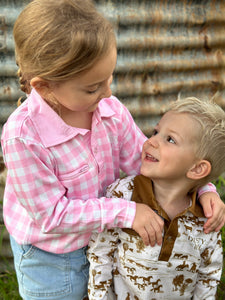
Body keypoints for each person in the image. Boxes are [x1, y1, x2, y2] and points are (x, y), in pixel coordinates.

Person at [0, 0, 224, 299]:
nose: (108, 93)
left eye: (110, 78)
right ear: (44, 87)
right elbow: (51, 216)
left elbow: (143, 161)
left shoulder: (109, 111)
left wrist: (203, 188)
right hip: (52, 256)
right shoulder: (22, 136)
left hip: (104, 237)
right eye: (93, 87)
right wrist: (126, 212)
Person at [87, 97, 225, 300]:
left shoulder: (206, 219)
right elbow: (100, 255)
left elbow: (209, 274)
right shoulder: (123, 195)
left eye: (170, 139)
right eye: (156, 132)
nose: (151, 141)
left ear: (197, 168)